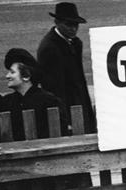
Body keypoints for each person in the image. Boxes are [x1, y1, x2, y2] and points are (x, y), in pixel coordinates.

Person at [36, 2, 94, 133]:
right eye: (69, 24)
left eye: (76, 25)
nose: (73, 29)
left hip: (79, 103)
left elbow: (80, 80)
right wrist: (65, 119)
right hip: (68, 108)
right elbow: (54, 88)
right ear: (57, 22)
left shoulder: (75, 43)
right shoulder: (49, 48)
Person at [1, 47, 66, 141]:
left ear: (26, 76)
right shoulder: (6, 102)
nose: (7, 76)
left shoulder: (49, 101)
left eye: (12, 72)